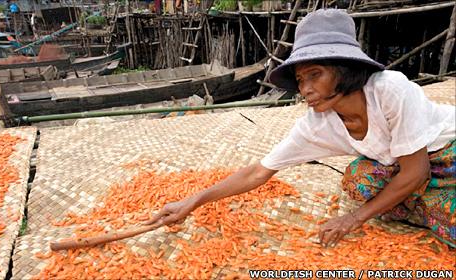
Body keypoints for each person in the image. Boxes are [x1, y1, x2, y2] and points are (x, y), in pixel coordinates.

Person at [146, 9, 456, 248]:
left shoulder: (390, 90)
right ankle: (424, 204)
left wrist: (352, 219)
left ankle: (425, 204)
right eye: (299, 80)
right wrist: (193, 201)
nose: (305, 89)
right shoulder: (318, 123)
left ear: (345, 70)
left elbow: (416, 171)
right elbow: (258, 172)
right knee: (356, 180)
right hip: (405, 167)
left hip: (445, 152)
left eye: (315, 74)